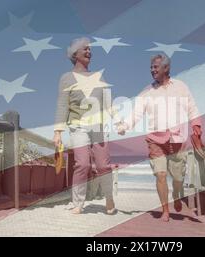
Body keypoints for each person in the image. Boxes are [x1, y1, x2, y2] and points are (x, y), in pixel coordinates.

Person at [117, 53, 202, 222]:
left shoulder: (180, 87)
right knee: (160, 174)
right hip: (155, 140)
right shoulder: (146, 93)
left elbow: (192, 107)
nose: (152, 70)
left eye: (155, 67)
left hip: (177, 139)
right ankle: (165, 210)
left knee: (178, 178)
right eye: (151, 67)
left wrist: (196, 125)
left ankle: (177, 195)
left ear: (166, 68)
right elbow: (136, 114)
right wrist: (124, 126)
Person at [54, 37, 116, 215]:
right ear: (75, 54)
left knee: (104, 166)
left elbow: (108, 103)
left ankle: (109, 197)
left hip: (98, 127)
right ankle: (78, 202)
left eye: (90, 49)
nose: (89, 51)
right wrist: (58, 132)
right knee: (82, 164)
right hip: (78, 126)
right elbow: (62, 105)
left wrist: (118, 121)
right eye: (85, 49)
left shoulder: (99, 76)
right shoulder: (66, 78)